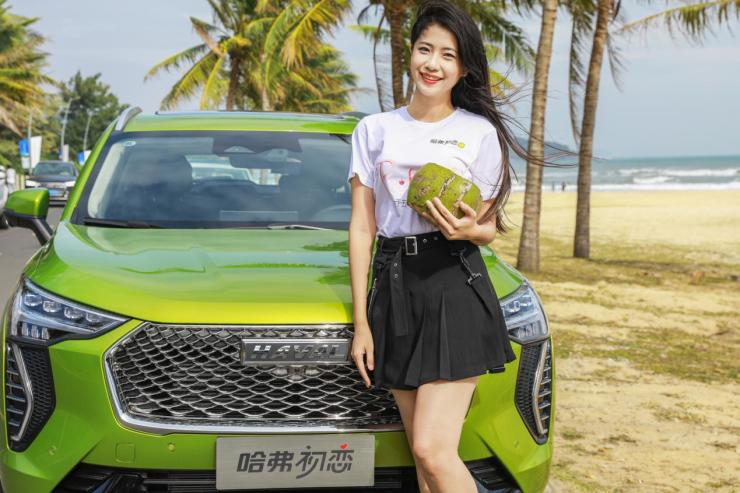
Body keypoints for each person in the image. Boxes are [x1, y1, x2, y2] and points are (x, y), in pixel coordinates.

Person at [346, 2, 552, 492]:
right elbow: (362, 228)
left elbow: (487, 229)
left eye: (447, 55)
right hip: (393, 286)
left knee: (432, 451)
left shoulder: (477, 133)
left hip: (453, 282)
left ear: (463, 69)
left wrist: (468, 231)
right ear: (410, 53)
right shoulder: (373, 130)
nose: (432, 64)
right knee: (425, 467)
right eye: (425, 49)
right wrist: (362, 322)